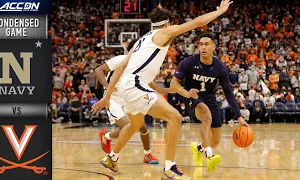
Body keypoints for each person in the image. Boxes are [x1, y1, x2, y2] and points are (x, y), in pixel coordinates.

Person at [91, 1, 233, 179]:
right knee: (175, 118)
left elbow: (119, 69)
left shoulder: (142, 40)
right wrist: (219, 11)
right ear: (167, 24)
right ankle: (169, 167)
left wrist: (108, 97)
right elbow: (197, 22)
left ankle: (112, 158)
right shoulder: (164, 32)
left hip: (128, 86)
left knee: (134, 124)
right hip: (135, 85)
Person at [170, 32, 249, 171]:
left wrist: (239, 116)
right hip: (191, 97)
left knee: (215, 141)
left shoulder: (220, 67)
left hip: (210, 99)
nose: (203, 47)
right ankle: (210, 156)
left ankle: (198, 148)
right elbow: (174, 83)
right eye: (201, 44)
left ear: (214, 46)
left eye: (206, 44)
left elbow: (228, 93)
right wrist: (185, 93)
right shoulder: (189, 62)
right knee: (206, 116)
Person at [95, 39, 160, 164]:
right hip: (113, 99)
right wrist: (108, 87)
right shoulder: (120, 59)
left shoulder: (141, 65)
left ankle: (147, 155)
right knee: (127, 127)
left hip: (130, 97)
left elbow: (147, 83)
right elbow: (98, 70)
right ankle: (106, 136)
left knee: (142, 127)